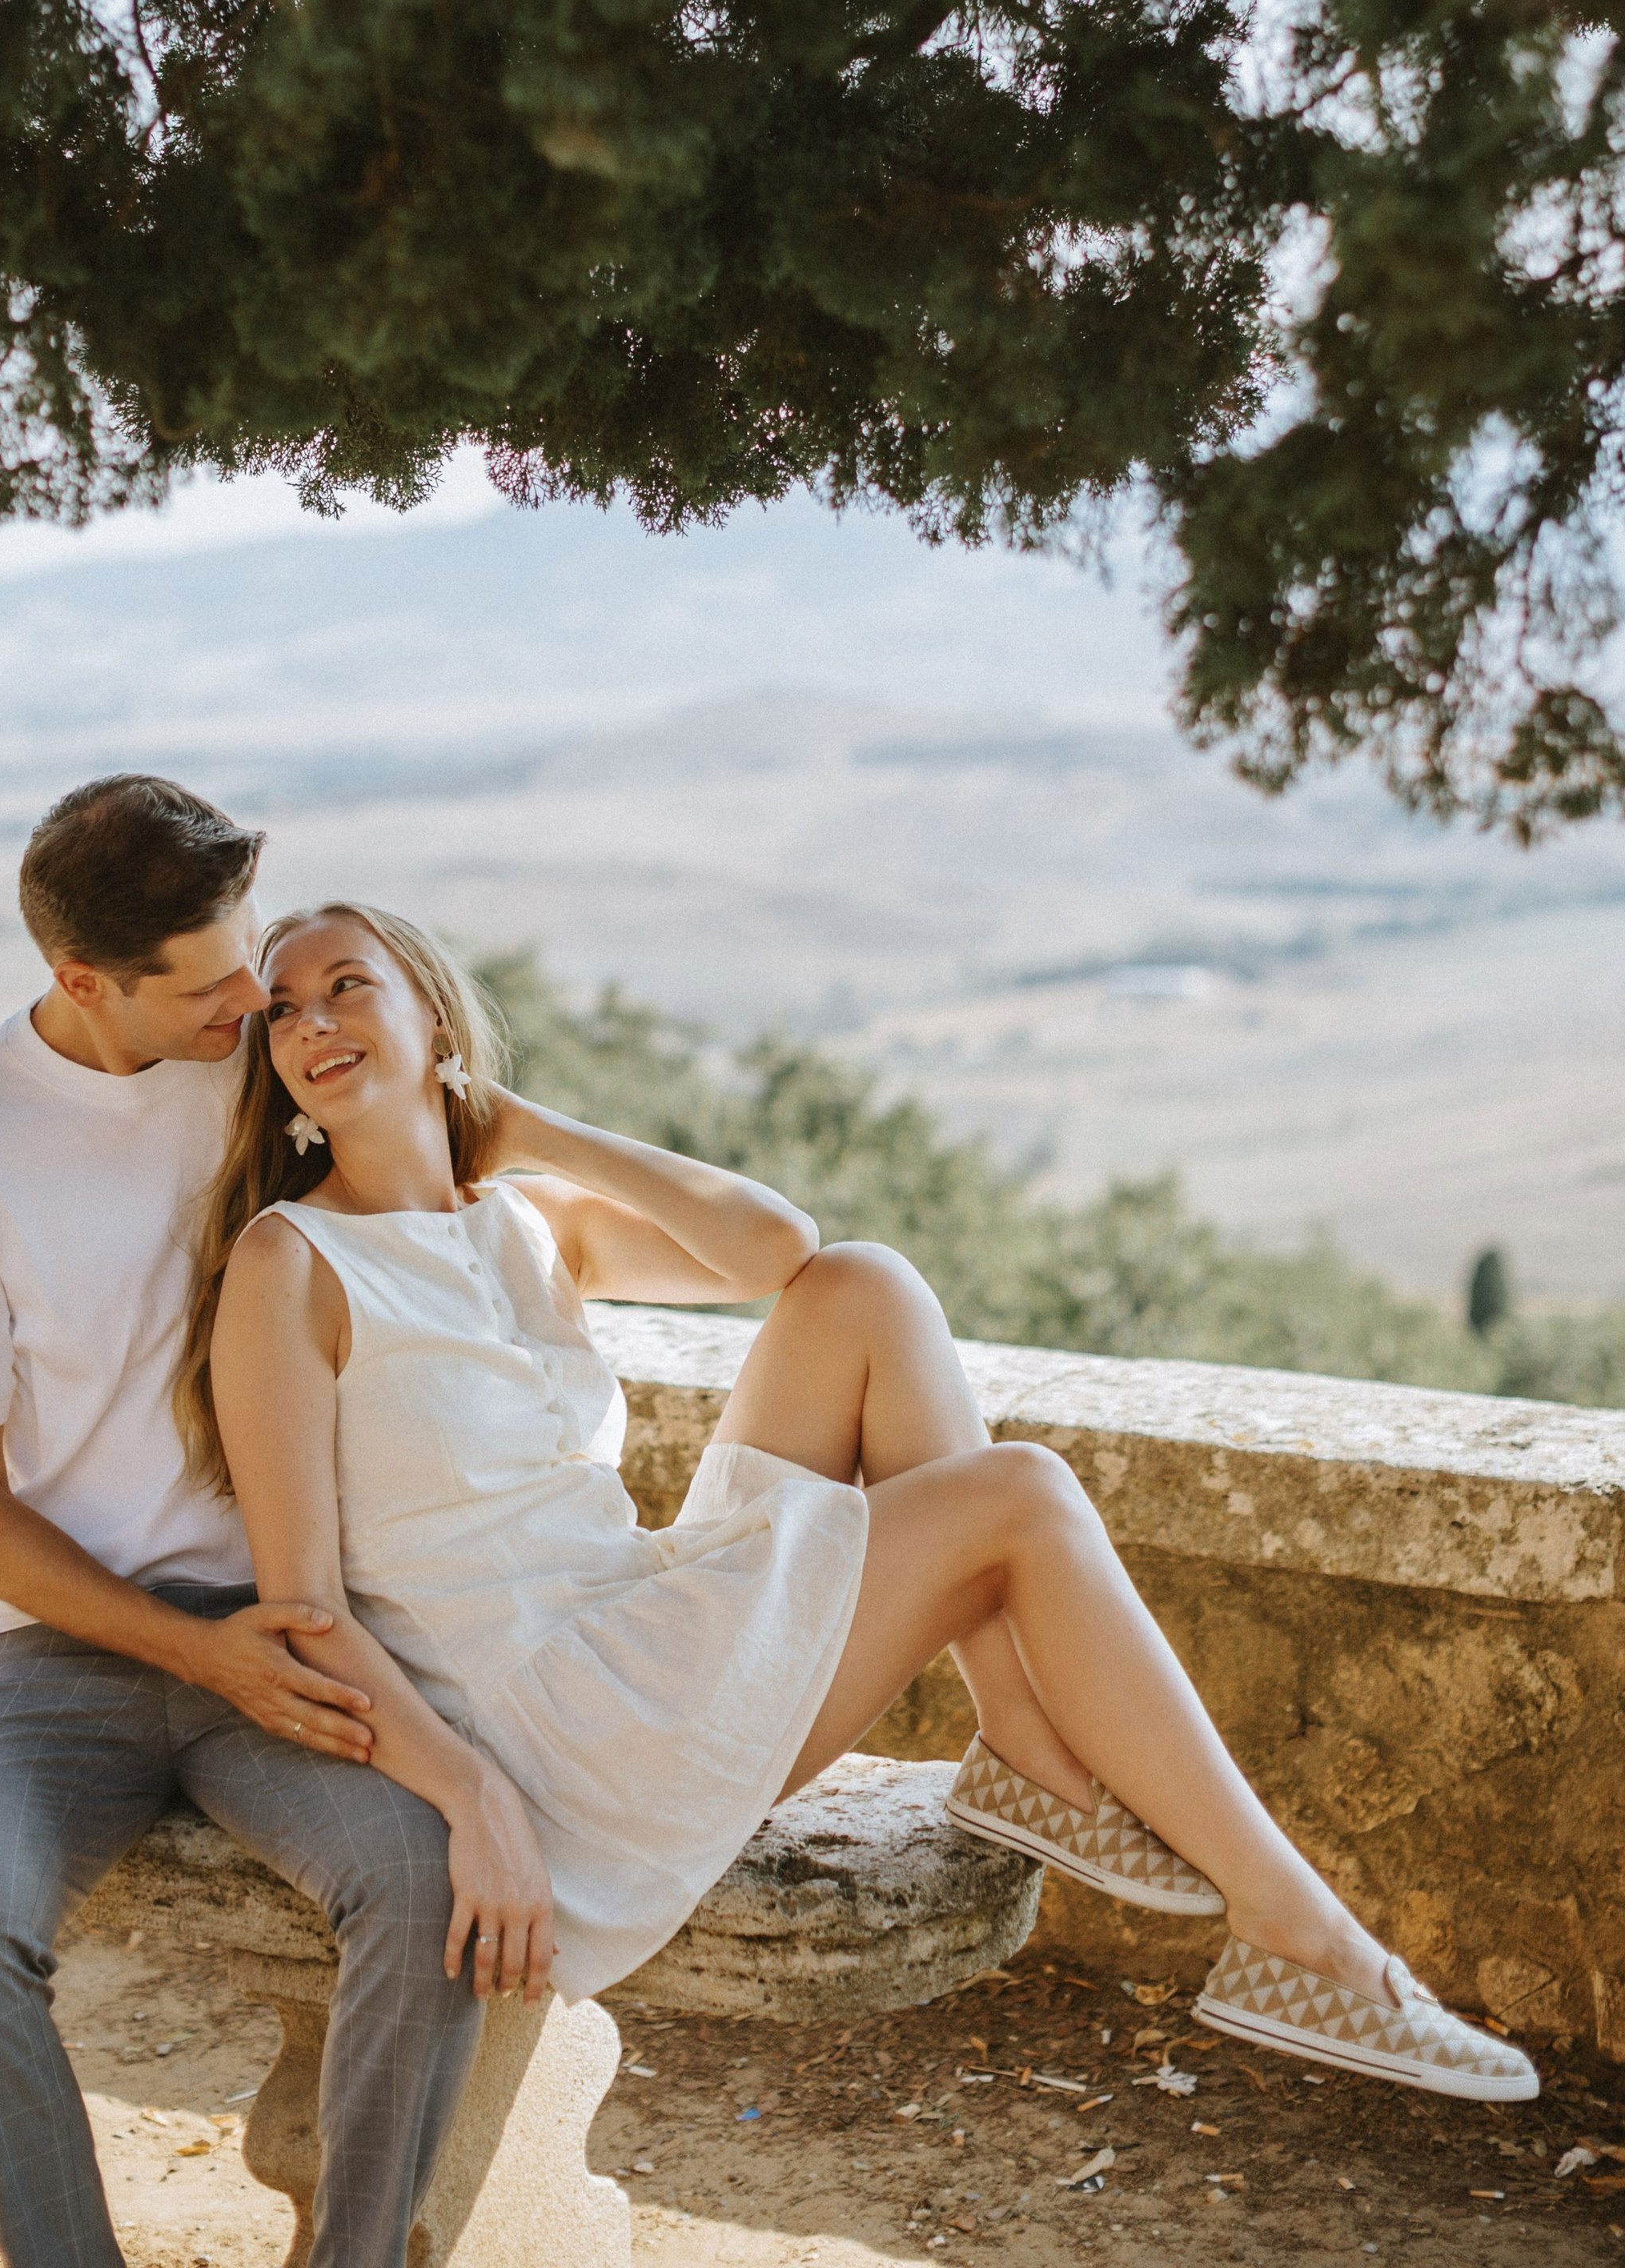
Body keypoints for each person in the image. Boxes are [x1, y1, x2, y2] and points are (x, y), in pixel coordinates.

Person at [179, 898, 1539, 2106]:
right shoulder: (290, 1265)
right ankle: (1297, 1934)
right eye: (283, 1010)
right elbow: (306, 1612)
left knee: (869, 1286)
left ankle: (1023, 1739)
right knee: (1019, 1499)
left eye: (347, 984)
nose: (310, 1024)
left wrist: (526, 1132)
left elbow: (781, 1250)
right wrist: (473, 1801)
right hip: (559, 1731)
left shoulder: (527, 1218)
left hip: (635, 1619)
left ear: (430, 1010)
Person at [0, 781, 484, 2268]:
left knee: (423, 1880)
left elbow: (456, 1125)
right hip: (39, 1660)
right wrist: (206, 1661)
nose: (251, 1006)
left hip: (289, 1621)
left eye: (251, 961)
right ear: (84, 982)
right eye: (207, 986)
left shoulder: (264, 1064)